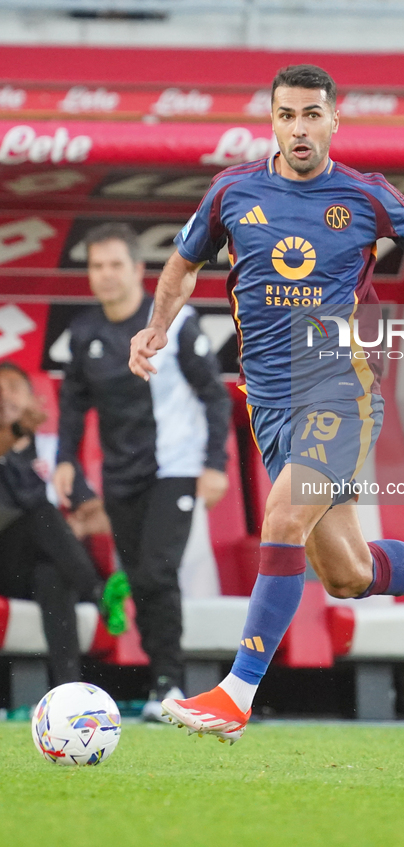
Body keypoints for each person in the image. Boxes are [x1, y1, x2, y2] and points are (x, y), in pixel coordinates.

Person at [129, 64, 404, 743]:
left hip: (339, 383)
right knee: (347, 574)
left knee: (282, 513)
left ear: (332, 120)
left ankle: (236, 695)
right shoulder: (233, 191)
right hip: (267, 400)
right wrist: (154, 327)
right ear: (270, 120)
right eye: (286, 115)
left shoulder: (365, 195)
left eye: (311, 115)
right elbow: (183, 263)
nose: (299, 128)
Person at [54, 222, 231, 721]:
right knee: (138, 577)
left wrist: (214, 466)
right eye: (96, 266)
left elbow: (215, 398)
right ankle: (160, 684)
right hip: (120, 477)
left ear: (137, 270)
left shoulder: (176, 323)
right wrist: (67, 459)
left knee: (157, 571)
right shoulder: (85, 333)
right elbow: (72, 405)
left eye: (115, 265)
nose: (106, 276)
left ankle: (170, 683)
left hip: (175, 469)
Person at [0, 362, 129, 688]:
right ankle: (96, 591)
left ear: (34, 399)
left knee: (53, 574)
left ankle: (68, 691)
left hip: (35, 566)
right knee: (41, 512)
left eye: (13, 388)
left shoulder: (53, 451)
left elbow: (98, 517)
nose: (5, 397)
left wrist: (81, 527)